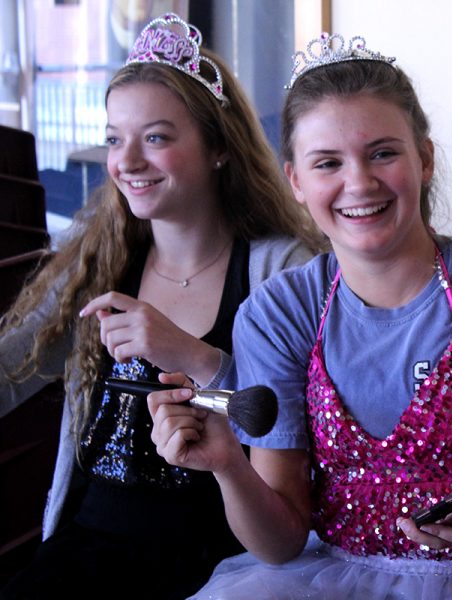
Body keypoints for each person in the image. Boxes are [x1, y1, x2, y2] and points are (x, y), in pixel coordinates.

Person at [148, 33, 452, 599]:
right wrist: (228, 468)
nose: (359, 183)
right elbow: (281, 540)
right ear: (296, 181)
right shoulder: (278, 313)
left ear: (426, 160)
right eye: (328, 163)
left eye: (383, 153)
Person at [0, 13, 322, 600]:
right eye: (114, 138)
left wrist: (191, 355)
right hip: (87, 547)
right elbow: (10, 368)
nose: (127, 161)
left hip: (221, 563)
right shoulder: (95, 261)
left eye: (156, 137)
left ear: (220, 147)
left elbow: (297, 419)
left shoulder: (285, 269)